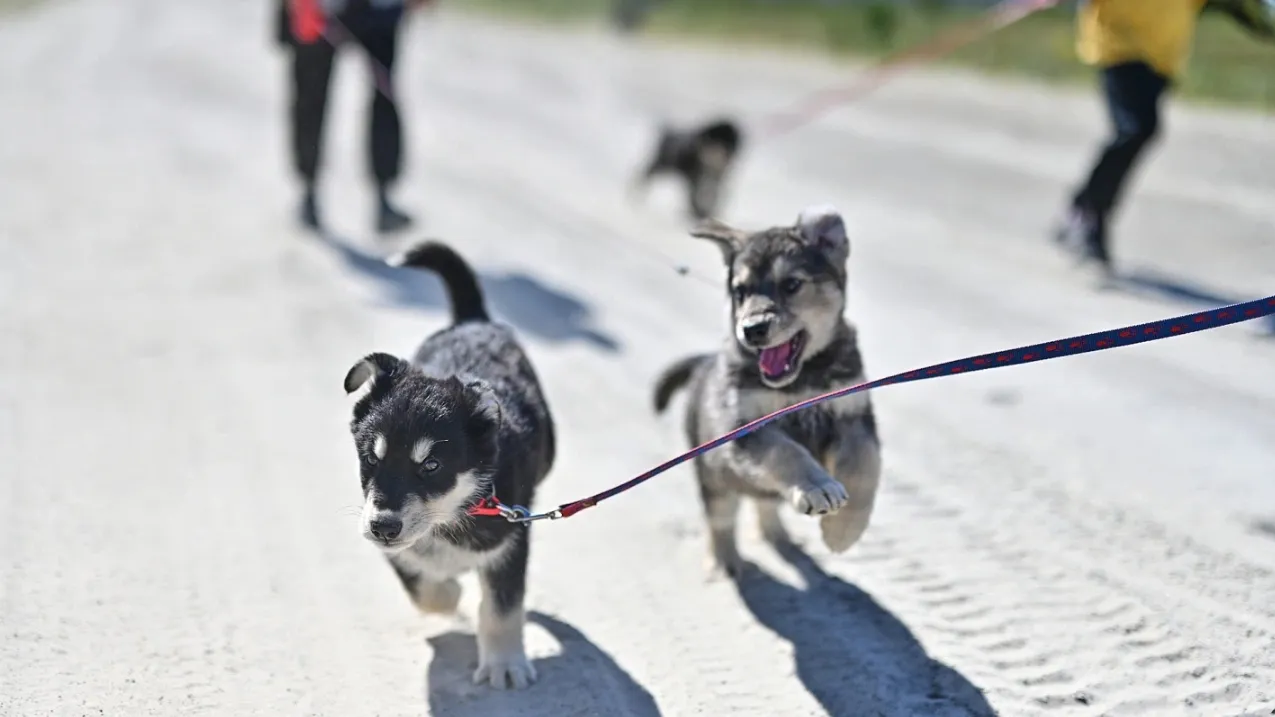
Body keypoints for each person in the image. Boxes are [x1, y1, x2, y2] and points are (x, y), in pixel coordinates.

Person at [1053, 0, 1208, 273]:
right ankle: (1090, 214)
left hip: (1161, 56)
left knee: (1139, 131)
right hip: (1119, 47)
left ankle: (1083, 205)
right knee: (1137, 129)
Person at [276, 0, 432, 233]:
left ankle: (383, 197)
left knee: (384, 96)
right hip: (317, 6)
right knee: (311, 96)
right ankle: (308, 190)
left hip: (379, 9)